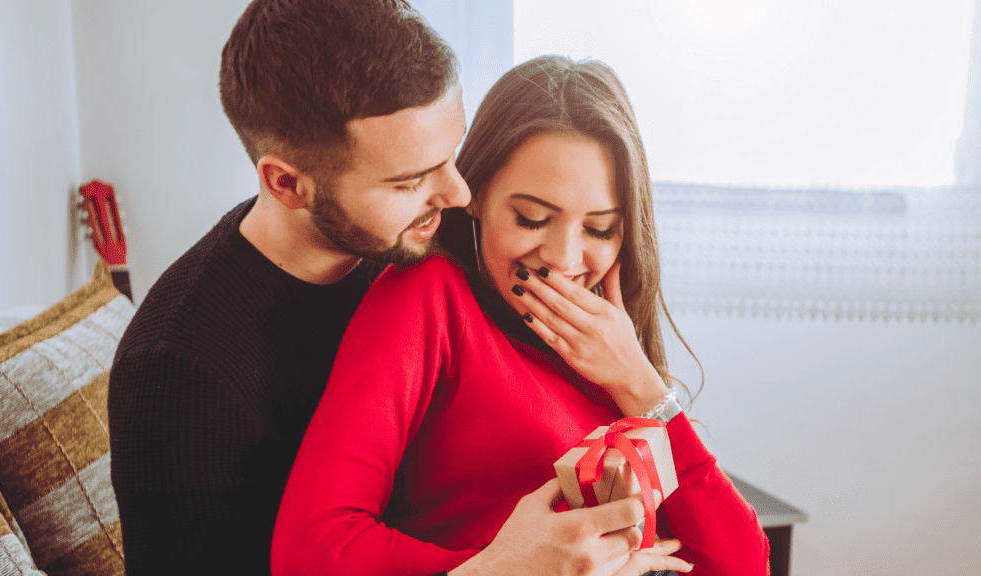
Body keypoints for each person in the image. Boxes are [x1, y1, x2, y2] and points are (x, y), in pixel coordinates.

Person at [108, 1, 683, 575]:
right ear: (288, 184)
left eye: (450, 154)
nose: (459, 193)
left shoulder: (428, 241)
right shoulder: (177, 371)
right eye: (409, 181)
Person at [270, 56, 772, 576]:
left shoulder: (614, 344)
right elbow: (309, 552)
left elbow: (744, 564)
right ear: (477, 194)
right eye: (531, 218)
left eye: (600, 229)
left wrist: (641, 385)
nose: (564, 257)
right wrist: (509, 567)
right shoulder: (428, 299)